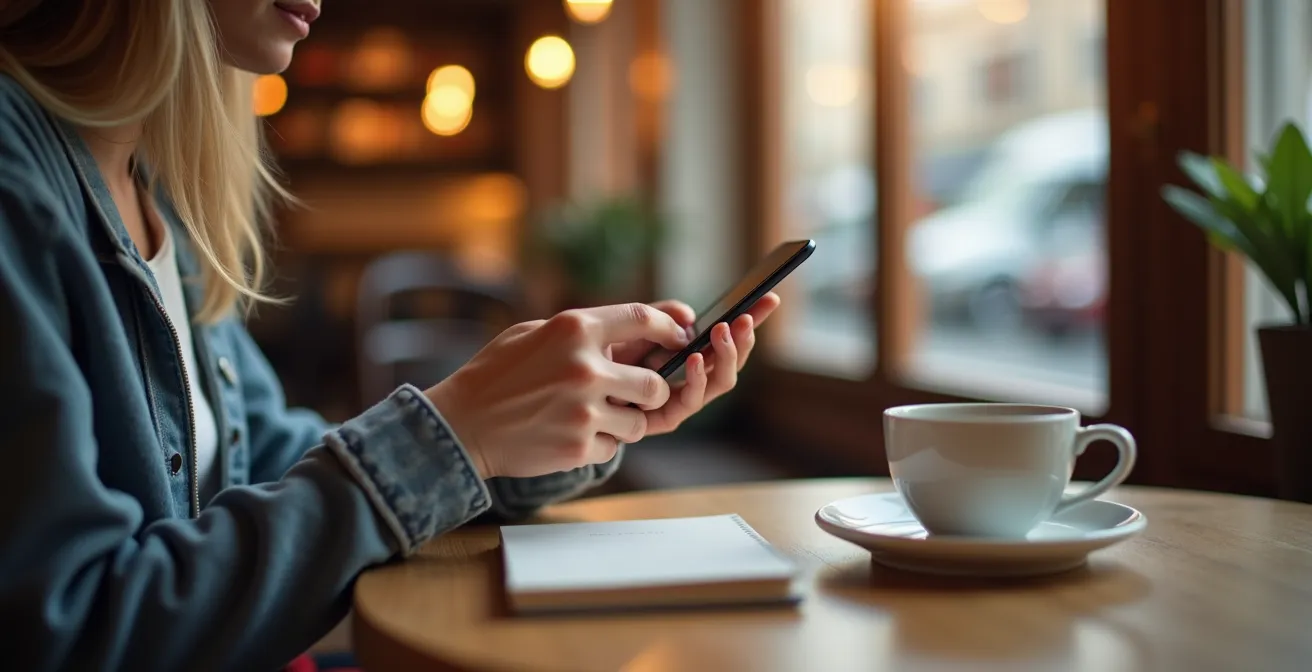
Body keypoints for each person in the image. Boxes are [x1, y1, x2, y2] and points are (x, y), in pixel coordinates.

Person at [0, 1, 779, 670]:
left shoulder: (159, 196)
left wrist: (529, 430)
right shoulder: (16, 177)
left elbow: (267, 460)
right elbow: (67, 632)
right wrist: (455, 435)